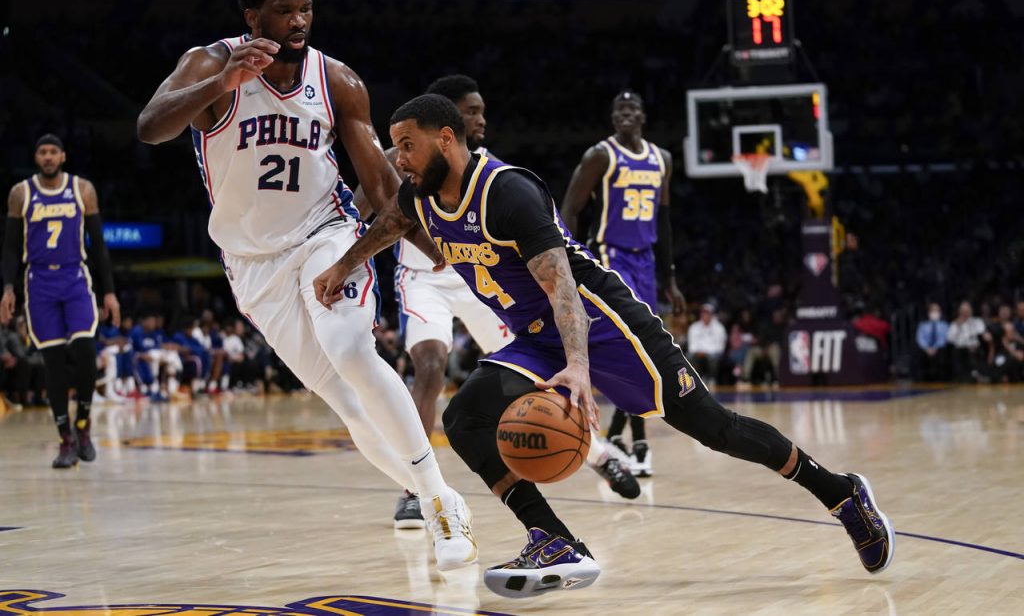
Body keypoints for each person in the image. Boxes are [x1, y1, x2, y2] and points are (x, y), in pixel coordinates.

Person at [314, 95, 895, 598]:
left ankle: (842, 494)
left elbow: (562, 285)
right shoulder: (420, 197)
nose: (398, 159)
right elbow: (390, 223)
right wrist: (344, 265)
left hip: (609, 326)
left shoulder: (507, 191)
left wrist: (578, 367)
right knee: (465, 418)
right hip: (537, 338)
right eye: (395, 147)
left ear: (446, 139)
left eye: (407, 146)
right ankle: (555, 541)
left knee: (715, 429)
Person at [135, 0, 475, 569]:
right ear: (253, 17)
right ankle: (439, 496)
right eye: (284, 10)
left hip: (326, 233)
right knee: (346, 402)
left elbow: (381, 185)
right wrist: (221, 84)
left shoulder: (338, 81)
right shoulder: (209, 62)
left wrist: (442, 252)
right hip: (252, 261)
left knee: (351, 351)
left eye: (306, 9)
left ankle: (437, 505)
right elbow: (150, 126)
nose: (298, 20)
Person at [358, 75, 638, 526]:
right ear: (445, 119)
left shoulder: (488, 171)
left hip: (481, 277)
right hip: (422, 278)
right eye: (471, 111)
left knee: (534, 373)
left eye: (481, 112)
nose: (481, 119)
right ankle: (416, 488)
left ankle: (599, 453)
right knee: (429, 367)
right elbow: (362, 208)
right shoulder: (399, 161)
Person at [560, 90, 686, 477]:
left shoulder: (662, 159)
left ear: (643, 116)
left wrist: (670, 278)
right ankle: (640, 443)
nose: (625, 115)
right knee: (630, 343)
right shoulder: (601, 155)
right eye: (619, 110)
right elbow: (570, 209)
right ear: (613, 117)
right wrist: (567, 261)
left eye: (632, 109)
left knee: (644, 344)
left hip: (645, 259)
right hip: (609, 255)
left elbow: (664, 221)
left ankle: (619, 436)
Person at [1, 134, 121, 468]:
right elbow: (10, 247)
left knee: (85, 350)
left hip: (75, 277)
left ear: (63, 157)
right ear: (36, 157)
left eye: (53, 151)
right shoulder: (21, 193)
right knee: (52, 362)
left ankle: (83, 422)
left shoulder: (83, 189)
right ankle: (65, 437)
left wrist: (109, 292)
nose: (48, 157)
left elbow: (98, 245)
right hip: (39, 281)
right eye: (43, 152)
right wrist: (8, 287)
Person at [687, 303, 728, 391]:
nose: (705, 315)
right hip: (698, 352)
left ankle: (712, 379)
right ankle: (696, 378)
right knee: (690, 356)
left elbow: (720, 347)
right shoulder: (694, 327)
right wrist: (700, 352)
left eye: (707, 313)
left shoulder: (719, 328)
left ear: (711, 315)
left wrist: (706, 352)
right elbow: (692, 346)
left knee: (713, 357)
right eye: (703, 313)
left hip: (713, 352)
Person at [914, 303, 949, 381]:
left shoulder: (944, 325)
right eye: (932, 310)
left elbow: (943, 339)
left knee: (944, 353)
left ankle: (941, 377)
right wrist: (927, 348)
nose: (934, 312)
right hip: (925, 349)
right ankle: (922, 377)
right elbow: (920, 338)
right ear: (928, 312)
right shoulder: (922, 325)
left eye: (937, 310)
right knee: (918, 352)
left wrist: (935, 348)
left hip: (939, 349)